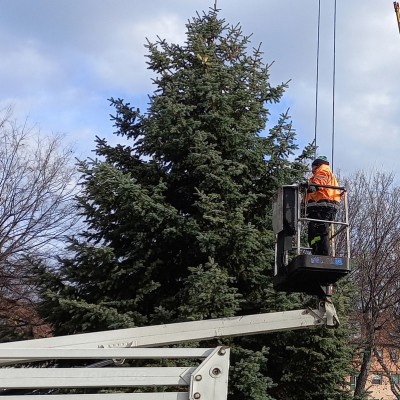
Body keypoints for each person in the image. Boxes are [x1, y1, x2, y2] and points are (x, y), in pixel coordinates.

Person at [305, 156, 340, 256]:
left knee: (321, 231)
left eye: (312, 167)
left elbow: (319, 182)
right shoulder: (319, 173)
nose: (311, 170)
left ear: (316, 165)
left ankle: (324, 257)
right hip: (320, 207)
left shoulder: (323, 169)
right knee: (314, 235)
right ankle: (317, 254)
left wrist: (313, 185)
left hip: (324, 206)